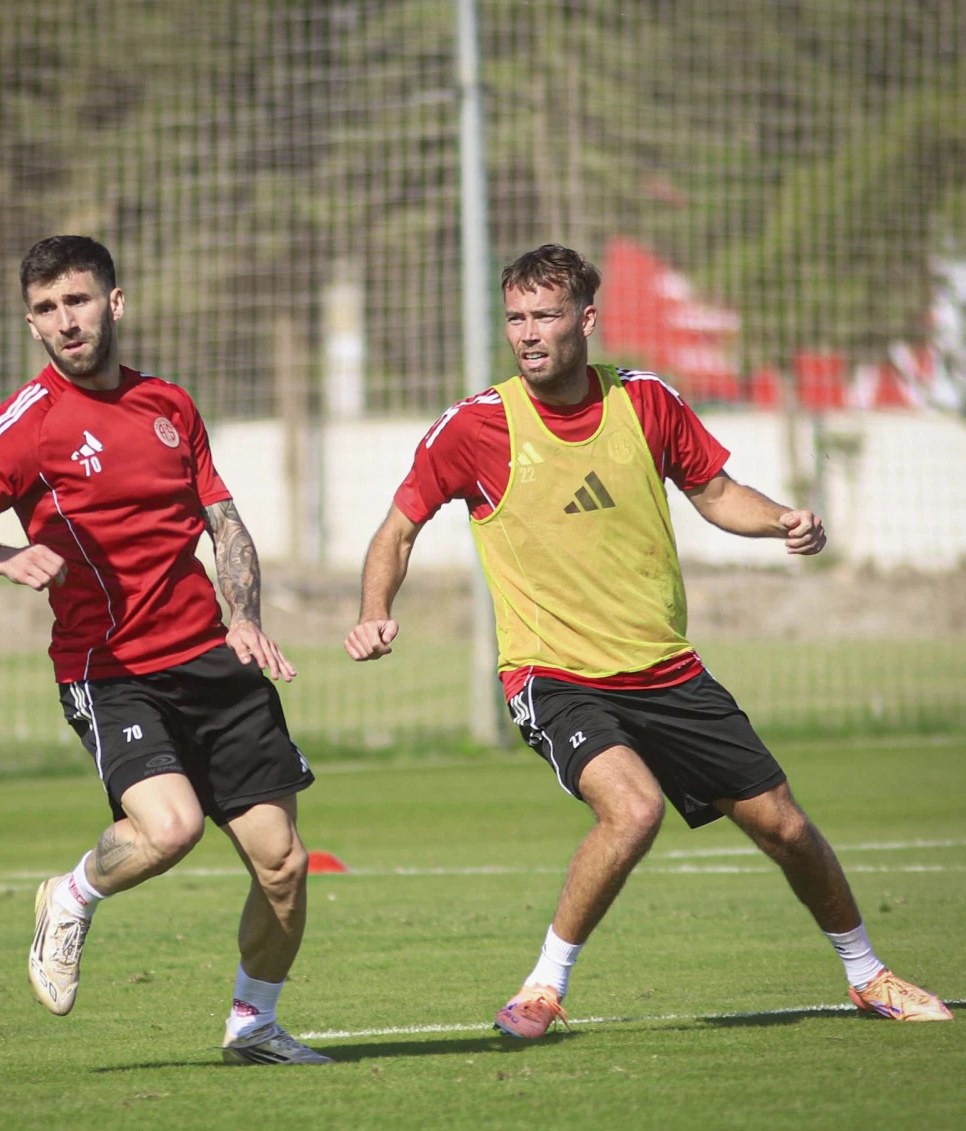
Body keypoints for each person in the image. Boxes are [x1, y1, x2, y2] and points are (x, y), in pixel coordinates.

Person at [344, 243, 952, 1036]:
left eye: (546, 316)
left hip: (666, 671)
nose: (528, 334)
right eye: (515, 319)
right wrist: (372, 609)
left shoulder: (646, 402)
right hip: (552, 674)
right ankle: (541, 988)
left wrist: (783, 522)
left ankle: (869, 975)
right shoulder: (477, 428)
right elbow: (398, 529)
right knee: (632, 810)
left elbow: (717, 492)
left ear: (587, 320)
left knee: (786, 827)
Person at [0, 235, 331, 1065]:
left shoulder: (169, 406)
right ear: (31, 323)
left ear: (115, 302)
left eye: (77, 300)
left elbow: (224, 521)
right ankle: (71, 895)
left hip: (212, 658)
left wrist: (242, 614)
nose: (65, 321)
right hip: (111, 672)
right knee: (169, 830)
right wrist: (3, 556)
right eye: (45, 308)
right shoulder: (26, 426)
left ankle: (255, 1027)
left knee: (283, 864)